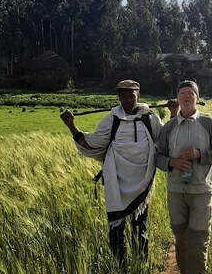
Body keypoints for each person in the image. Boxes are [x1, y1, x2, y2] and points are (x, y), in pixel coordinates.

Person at [60, 79, 177, 263]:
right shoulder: (111, 119)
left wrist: (174, 112)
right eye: (123, 95)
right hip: (116, 181)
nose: (128, 99)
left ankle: (141, 268)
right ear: (119, 98)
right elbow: (91, 143)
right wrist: (71, 126)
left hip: (143, 181)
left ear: (138, 96)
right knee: (116, 229)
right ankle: (119, 269)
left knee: (140, 227)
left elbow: (167, 139)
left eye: (131, 95)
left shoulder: (149, 118)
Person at [156, 80, 212, 274]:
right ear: (177, 98)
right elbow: (158, 156)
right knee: (181, 241)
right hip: (176, 192)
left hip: (200, 192)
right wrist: (172, 162)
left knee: (198, 243)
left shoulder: (209, 123)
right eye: (182, 93)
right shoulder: (168, 127)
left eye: (191, 93)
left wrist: (199, 154)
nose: (186, 96)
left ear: (197, 98)